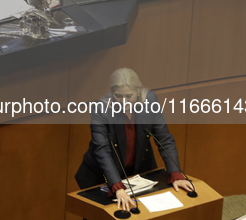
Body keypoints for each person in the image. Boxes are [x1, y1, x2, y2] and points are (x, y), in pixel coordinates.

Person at [75, 68, 194, 212]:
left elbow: (164, 139)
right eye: (118, 96)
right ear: (111, 93)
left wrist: (176, 174)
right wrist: (117, 186)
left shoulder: (150, 101)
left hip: (139, 170)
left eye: (129, 96)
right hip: (103, 175)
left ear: (138, 92)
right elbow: (102, 151)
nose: (123, 101)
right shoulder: (101, 109)